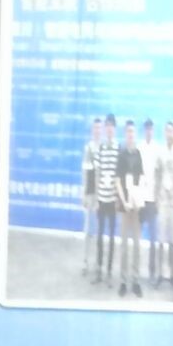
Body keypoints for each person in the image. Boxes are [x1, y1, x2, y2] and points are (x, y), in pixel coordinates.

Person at [116, 120, 145, 299]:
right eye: (128, 132)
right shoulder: (121, 155)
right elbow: (118, 181)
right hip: (125, 206)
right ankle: (123, 281)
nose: (130, 135)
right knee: (125, 245)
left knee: (136, 244)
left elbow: (141, 178)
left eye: (133, 132)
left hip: (136, 206)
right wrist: (124, 200)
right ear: (125, 134)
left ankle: (135, 281)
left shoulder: (139, 154)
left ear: (135, 134)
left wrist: (138, 199)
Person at [154, 118, 173, 290]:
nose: (169, 134)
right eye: (167, 131)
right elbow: (157, 174)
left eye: (172, 131)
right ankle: (159, 274)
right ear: (164, 133)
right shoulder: (160, 151)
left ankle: (172, 275)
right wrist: (156, 197)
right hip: (163, 201)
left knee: (172, 241)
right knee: (161, 240)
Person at [92, 115, 120, 285]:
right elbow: (97, 173)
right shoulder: (101, 148)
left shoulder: (118, 148)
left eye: (111, 126)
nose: (109, 129)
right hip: (101, 199)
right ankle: (99, 270)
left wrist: (118, 199)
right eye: (107, 126)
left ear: (114, 129)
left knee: (111, 236)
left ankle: (109, 272)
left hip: (113, 200)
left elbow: (119, 175)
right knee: (100, 236)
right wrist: (96, 198)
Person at [80, 116, 102, 278]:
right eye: (95, 128)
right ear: (92, 130)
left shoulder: (104, 148)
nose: (97, 130)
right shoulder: (88, 148)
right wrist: (83, 193)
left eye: (99, 128)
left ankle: (96, 262)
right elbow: (85, 172)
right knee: (88, 229)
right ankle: (85, 261)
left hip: (101, 195)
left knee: (98, 230)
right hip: (90, 193)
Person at [138, 119, 159, 284]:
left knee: (153, 237)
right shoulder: (139, 147)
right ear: (144, 130)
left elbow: (159, 174)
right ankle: (135, 270)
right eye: (147, 129)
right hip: (140, 198)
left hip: (152, 199)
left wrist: (157, 196)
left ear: (153, 130)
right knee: (137, 236)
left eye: (151, 129)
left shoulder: (157, 149)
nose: (149, 131)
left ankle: (152, 272)